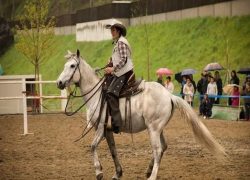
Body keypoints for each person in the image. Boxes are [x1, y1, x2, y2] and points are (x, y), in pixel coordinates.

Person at [104, 20, 134, 133]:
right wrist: (110, 63)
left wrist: (112, 69)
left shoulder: (121, 42)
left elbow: (123, 59)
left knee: (111, 93)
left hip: (124, 72)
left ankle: (117, 124)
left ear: (118, 31)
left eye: (113, 30)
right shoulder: (118, 43)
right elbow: (117, 58)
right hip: (120, 72)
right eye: (111, 30)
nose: (112, 32)